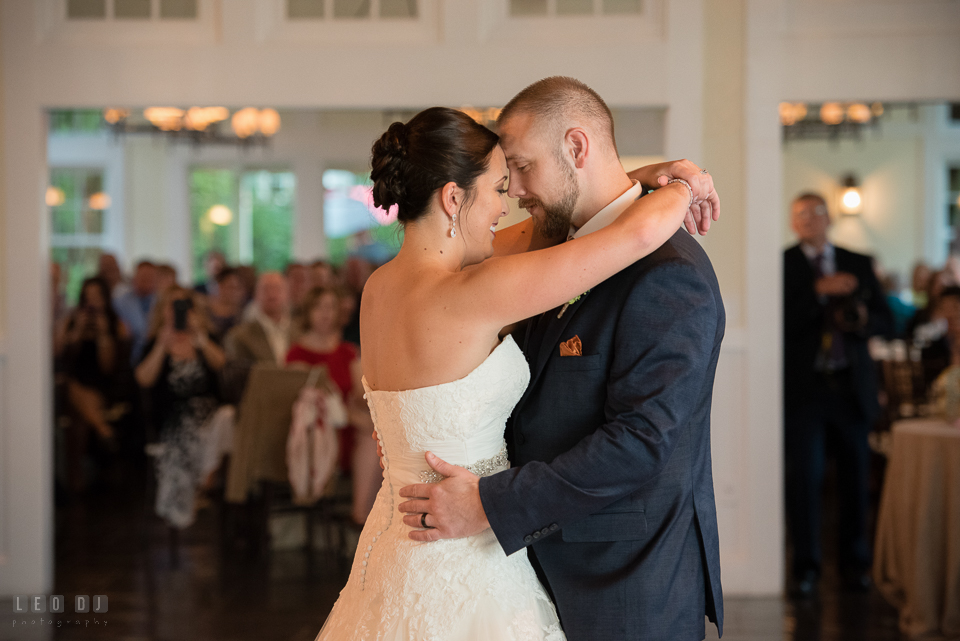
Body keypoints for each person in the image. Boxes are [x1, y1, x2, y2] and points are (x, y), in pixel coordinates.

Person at [315, 92, 720, 639]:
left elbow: (645, 439)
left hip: (407, 546)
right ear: (454, 198)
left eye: (520, 173)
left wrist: (641, 179)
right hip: (471, 549)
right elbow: (635, 233)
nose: (510, 202)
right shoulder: (479, 288)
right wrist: (681, 184)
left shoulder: (379, 287)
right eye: (501, 187)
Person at [783, 192, 893, 598]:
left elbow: (886, 320)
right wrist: (818, 291)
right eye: (799, 215)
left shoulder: (858, 261)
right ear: (793, 224)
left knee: (854, 483)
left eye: (815, 212)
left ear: (828, 217)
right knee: (806, 482)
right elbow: (779, 324)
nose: (808, 220)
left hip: (851, 388)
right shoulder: (784, 264)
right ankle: (806, 568)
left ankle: (855, 566)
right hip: (806, 392)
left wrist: (863, 320)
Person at [285, 287, 379, 525]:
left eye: (331, 308)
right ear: (308, 313)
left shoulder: (347, 351)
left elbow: (360, 394)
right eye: (319, 307)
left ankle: (368, 515)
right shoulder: (296, 353)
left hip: (346, 425)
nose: (325, 314)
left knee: (378, 432)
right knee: (369, 433)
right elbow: (302, 402)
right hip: (316, 429)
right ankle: (361, 516)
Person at [135, 286, 226, 528]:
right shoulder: (155, 343)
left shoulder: (205, 339)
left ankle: (198, 488)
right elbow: (144, 379)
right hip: (173, 416)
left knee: (216, 422)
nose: (178, 312)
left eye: (184, 306)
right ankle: (201, 485)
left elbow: (222, 366)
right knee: (185, 426)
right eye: (172, 306)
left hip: (210, 415)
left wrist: (201, 339)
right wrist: (160, 347)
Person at [55, 277, 131, 493]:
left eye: (97, 297)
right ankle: (104, 430)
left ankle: (75, 482)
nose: (92, 303)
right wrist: (77, 331)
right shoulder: (71, 320)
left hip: (101, 388)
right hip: (71, 385)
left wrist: (104, 335)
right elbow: (61, 357)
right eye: (88, 297)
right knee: (70, 388)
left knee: (77, 413)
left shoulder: (116, 324)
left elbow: (109, 369)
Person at [222, 271, 291, 402]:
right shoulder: (239, 337)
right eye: (266, 289)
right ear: (256, 295)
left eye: (277, 288)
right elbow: (238, 384)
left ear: (287, 294)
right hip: (260, 403)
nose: (272, 294)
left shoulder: (301, 333)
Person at [114, 260, 158, 365]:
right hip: (129, 357)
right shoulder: (120, 302)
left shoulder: (163, 301)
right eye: (143, 276)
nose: (146, 279)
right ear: (135, 277)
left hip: (155, 356)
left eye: (150, 276)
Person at [206, 267, 246, 342]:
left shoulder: (244, 314)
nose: (234, 292)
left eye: (237, 288)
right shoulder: (203, 311)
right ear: (219, 286)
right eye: (230, 287)